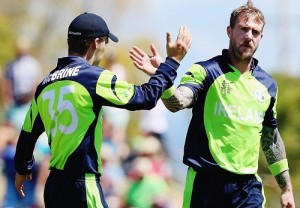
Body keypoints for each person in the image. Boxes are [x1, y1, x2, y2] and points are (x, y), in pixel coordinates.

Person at [13, 12, 192, 208]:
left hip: (54, 188)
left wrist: (23, 169)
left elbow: (27, 134)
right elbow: (146, 97)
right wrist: (171, 63)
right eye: (106, 42)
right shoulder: (94, 77)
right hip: (83, 185)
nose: (105, 49)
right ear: (96, 43)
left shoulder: (45, 84)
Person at [129, 1, 295, 207]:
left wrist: (286, 188)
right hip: (206, 183)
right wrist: (162, 76)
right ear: (229, 31)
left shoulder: (267, 85)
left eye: (255, 32)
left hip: (246, 188)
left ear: (261, 37)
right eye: (243, 29)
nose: (249, 36)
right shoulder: (206, 71)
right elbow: (177, 102)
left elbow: (270, 138)